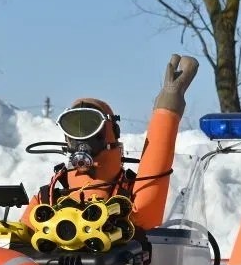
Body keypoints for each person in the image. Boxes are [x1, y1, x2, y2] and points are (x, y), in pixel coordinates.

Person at [20, 54, 199, 235]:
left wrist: (168, 105)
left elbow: (144, 215)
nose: (82, 138)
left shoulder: (127, 198)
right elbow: (20, 237)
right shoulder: (48, 200)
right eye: (74, 127)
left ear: (110, 132)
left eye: (91, 125)